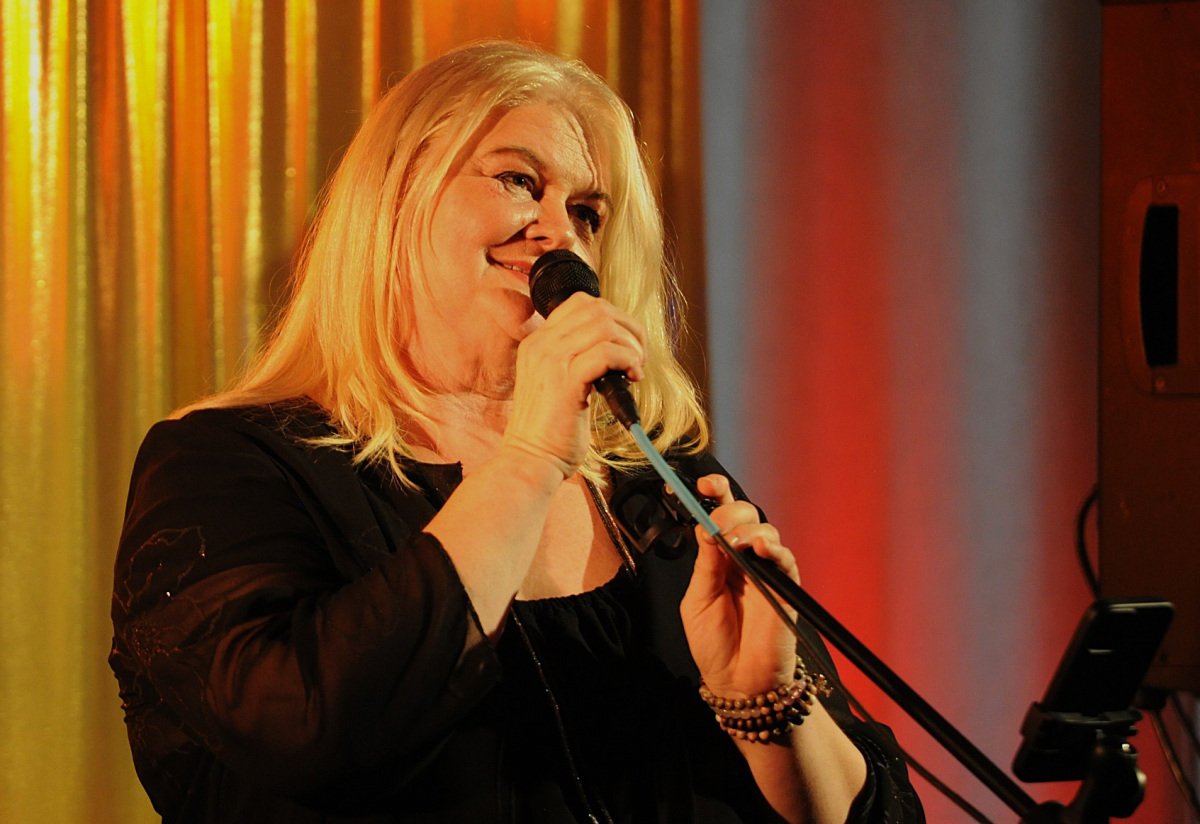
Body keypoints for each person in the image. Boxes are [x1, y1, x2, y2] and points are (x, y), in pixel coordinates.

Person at [109, 40, 924, 824]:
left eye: (587, 212)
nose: (559, 233)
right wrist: (530, 456)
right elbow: (306, 730)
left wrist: (765, 706)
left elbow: (878, 810)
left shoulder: (658, 483)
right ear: (395, 197)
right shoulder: (225, 465)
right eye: (518, 180)